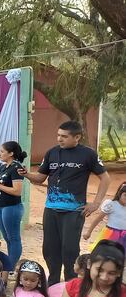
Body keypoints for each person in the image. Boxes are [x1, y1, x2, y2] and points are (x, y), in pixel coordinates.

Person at [20, 120, 111, 284]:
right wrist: (26, 174)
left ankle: (71, 284)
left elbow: (105, 178)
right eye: (58, 135)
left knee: (69, 250)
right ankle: (53, 282)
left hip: (73, 212)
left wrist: (96, 203)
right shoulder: (52, 153)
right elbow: (40, 178)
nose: (59, 139)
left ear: (77, 137)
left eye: (64, 136)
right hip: (51, 210)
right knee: (49, 249)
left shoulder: (88, 154)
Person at [0, 141, 27, 270]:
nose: (0, 153)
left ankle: (10, 266)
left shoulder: (16, 168)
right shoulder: (4, 167)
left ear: (11, 153)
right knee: (6, 237)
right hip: (0, 206)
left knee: (13, 237)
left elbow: (17, 191)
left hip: (11, 207)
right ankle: (10, 264)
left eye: (3, 151)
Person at [84, 182, 126, 248]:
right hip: (111, 235)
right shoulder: (112, 205)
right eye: (125, 195)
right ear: (119, 193)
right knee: (107, 253)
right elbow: (98, 219)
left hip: (124, 237)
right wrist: (89, 232)